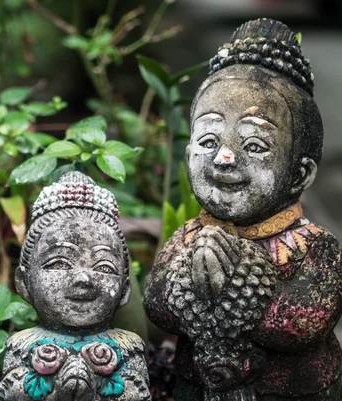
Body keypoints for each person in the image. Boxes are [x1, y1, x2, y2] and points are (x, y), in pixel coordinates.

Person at [145, 19, 342, 401]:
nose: (224, 157)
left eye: (254, 145)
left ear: (300, 174)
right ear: (188, 156)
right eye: (207, 139)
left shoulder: (315, 247)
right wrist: (188, 278)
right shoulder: (190, 237)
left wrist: (232, 280)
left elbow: (303, 323)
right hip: (198, 385)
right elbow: (157, 306)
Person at [0, 172, 150, 401]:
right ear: (24, 283)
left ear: (124, 291)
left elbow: (136, 394)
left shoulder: (126, 348)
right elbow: (13, 392)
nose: (84, 278)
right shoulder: (23, 346)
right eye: (59, 263)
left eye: (104, 267)